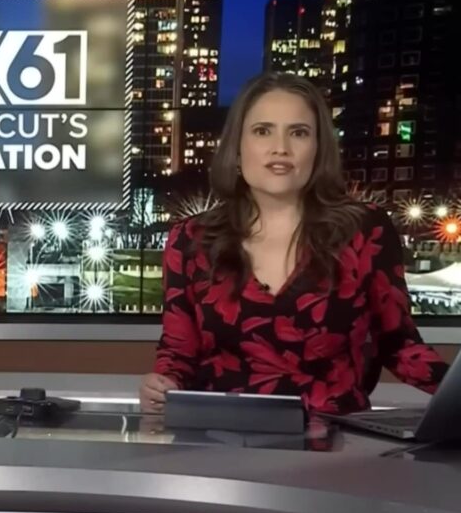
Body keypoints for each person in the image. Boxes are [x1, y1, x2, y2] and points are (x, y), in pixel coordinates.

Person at [140, 72, 448, 415]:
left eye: (298, 133)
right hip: (219, 437)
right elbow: (178, 354)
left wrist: (454, 389)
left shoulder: (364, 230)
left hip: (336, 440)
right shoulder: (190, 239)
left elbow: (399, 344)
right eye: (262, 131)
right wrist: (162, 384)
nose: (281, 148)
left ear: (318, 148)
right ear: (237, 147)